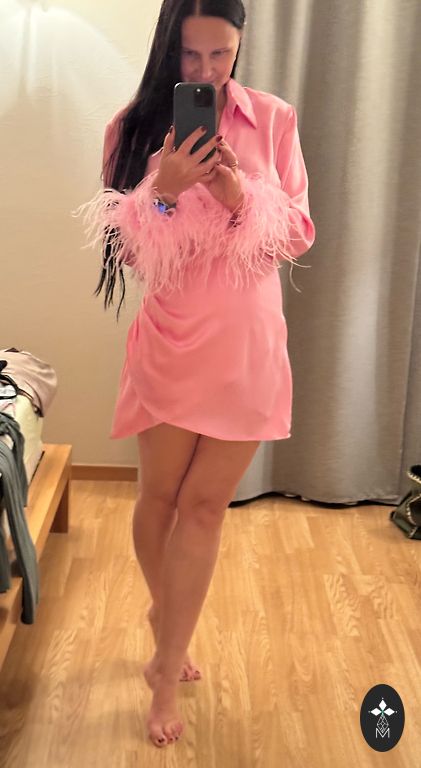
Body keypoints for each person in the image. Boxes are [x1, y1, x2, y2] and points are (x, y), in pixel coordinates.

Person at [74, 0, 315, 749]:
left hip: (246, 343)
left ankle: (165, 663)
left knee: (205, 508)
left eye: (221, 55)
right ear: (166, 50)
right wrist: (166, 190)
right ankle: (167, 616)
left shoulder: (273, 119)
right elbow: (130, 255)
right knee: (158, 499)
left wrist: (239, 197)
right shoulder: (130, 128)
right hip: (172, 340)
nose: (206, 71)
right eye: (190, 56)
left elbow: (297, 236)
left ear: (240, 47)